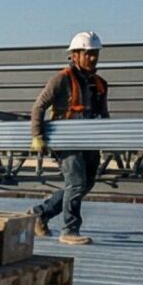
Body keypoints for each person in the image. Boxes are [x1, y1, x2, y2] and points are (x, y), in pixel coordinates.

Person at [31, 33, 106, 245]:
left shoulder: (99, 84)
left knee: (85, 184)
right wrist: (38, 136)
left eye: (95, 54)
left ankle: (40, 213)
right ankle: (70, 230)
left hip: (89, 141)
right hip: (66, 140)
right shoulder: (61, 79)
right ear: (75, 55)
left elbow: (104, 115)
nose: (93, 58)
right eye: (88, 54)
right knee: (76, 182)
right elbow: (39, 106)